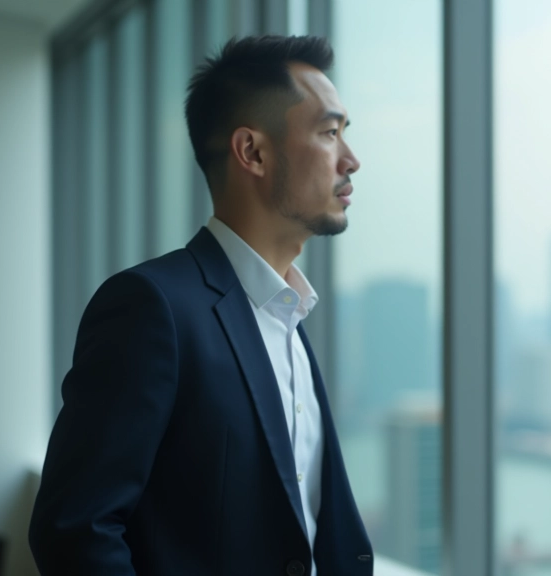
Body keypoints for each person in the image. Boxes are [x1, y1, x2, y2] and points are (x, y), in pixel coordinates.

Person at [28, 35, 370, 576]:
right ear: (252, 152)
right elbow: (76, 528)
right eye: (330, 133)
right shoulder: (151, 308)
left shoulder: (290, 317)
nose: (351, 160)